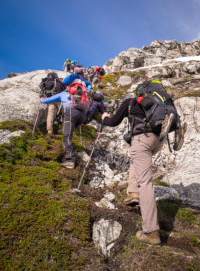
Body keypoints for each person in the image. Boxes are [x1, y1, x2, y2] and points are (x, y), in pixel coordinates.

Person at [101, 96, 178, 245]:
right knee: (136, 159)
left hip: (142, 138)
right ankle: (133, 192)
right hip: (157, 140)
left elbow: (112, 122)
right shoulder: (157, 101)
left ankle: (151, 232)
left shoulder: (130, 101)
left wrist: (104, 116)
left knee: (146, 182)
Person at [41, 69, 92, 169]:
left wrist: (42, 100)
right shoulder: (83, 92)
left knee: (67, 135)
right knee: (70, 131)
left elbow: (49, 100)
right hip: (82, 114)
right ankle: (69, 149)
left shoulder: (64, 94)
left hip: (70, 112)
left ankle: (70, 160)